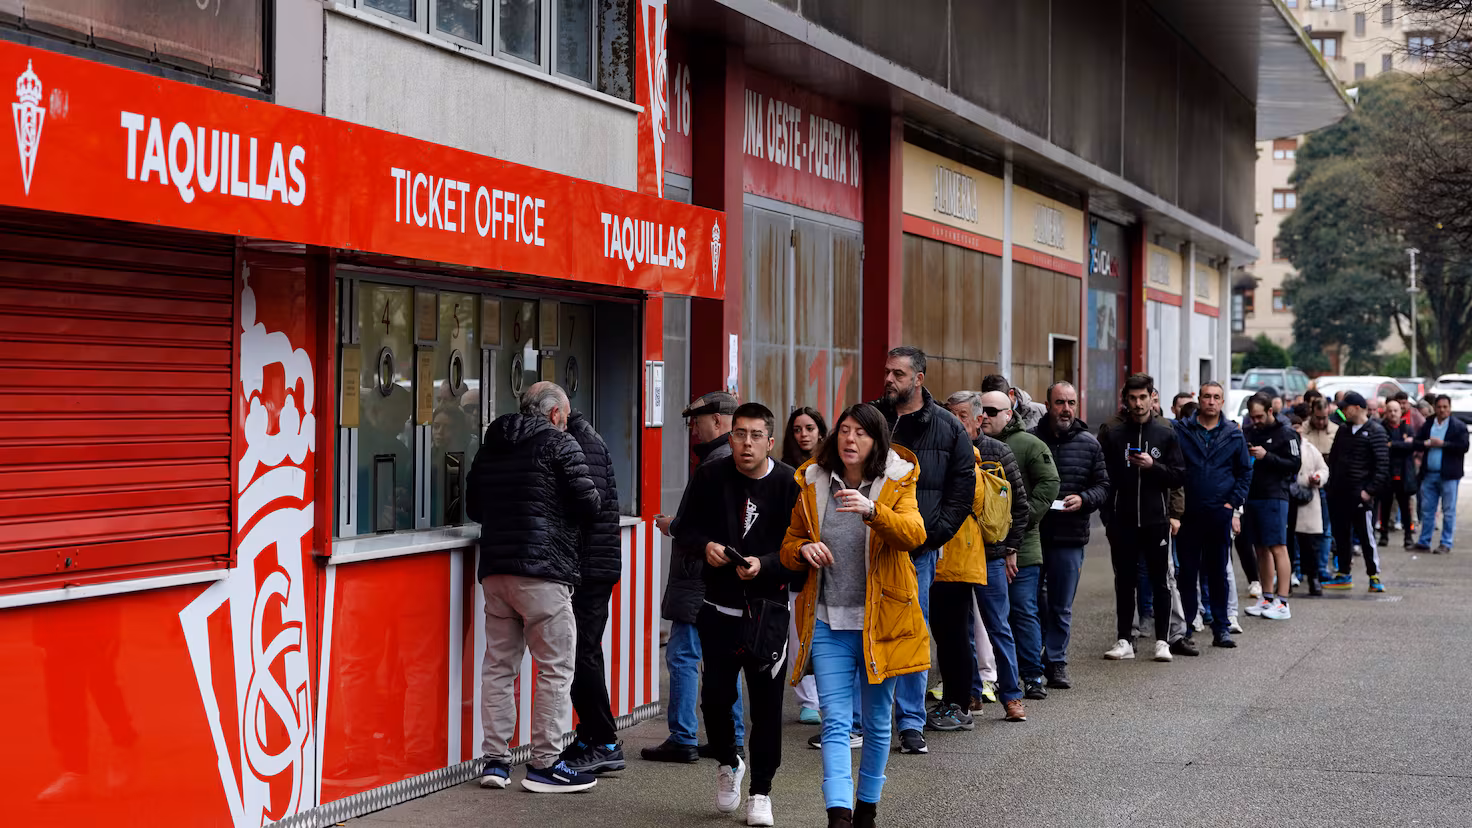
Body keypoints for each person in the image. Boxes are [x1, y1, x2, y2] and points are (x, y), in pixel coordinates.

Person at [782, 403, 928, 828]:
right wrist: (802, 551)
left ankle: (867, 808)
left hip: (881, 622)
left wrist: (872, 511)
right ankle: (838, 815)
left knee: (879, 722)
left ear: (876, 441)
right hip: (827, 621)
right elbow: (789, 544)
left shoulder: (897, 480)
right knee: (835, 722)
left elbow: (914, 534)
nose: (849, 439)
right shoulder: (812, 481)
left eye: (860, 433)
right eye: (844, 430)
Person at [469, 381, 602, 793]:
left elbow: (474, 506)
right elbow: (590, 504)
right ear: (556, 414)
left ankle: (495, 761)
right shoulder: (560, 446)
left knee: (498, 668)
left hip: (495, 571)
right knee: (556, 668)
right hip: (544, 572)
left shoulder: (490, 445)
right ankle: (545, 764)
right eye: (565, 414)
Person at [677, 402, 802, 827]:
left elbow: (799, 552)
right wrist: (706, 546)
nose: (746, 444)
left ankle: (762, 792)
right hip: (718, 608)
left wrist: (765, 565)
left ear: (770, 442)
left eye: (755, 436)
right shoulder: (711, 476)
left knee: (766, 706)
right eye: (739, 435)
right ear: (729, 437)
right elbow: (685, 528)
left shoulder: (789, 483)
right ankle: (729, 762)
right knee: (714, 699)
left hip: (768, 613)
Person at [871, 346, 976, 756]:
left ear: (919, 378)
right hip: (871, 546)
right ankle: (864, 721)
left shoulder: (947, 427)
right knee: (868, 629)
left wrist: (933, 536)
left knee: (913, 633)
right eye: (887, 372)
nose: (889, 380)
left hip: (918, 548)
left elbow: (962, 489)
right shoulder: (870, 419)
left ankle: (911, 723)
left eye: (898, 373)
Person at [647, 392, 746, 763]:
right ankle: (731, 737)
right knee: (723, 659)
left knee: (684, 655)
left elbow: (705, 524)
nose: (694, 428)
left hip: (697, 577)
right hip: (718, 579)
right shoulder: (731, 461)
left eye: (698, 421)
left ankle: (683, 736)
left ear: (718, 421)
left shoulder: (715, 463)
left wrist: (673, 526)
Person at [932, 391, 1030, 729]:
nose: (954, 422)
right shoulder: (941, 453)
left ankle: (1012, 696)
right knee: (961, 632)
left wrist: (1010, 548)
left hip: (990, 555)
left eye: (961, 416)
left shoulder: (997, 451)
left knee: (997, 627)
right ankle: (970, 694)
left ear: (978, 420)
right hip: (952, 557)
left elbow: (1020, 507)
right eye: (950, 415)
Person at [1097, 374, 1186, 661]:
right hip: (1122, 521)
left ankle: (1162, 641)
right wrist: (1107, 517)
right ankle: (1124, 639)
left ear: (1152, 397)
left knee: (1160, 581)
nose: (1138, 404)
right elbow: (1103, 477)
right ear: (1126, 400)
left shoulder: (1166, 432)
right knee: (1125, 580)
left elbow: (1179, 475)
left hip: (1156, 520)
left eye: (1143, 397)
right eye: (1133, 398)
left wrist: (1153, 466)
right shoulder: (1113, 433)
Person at [982, 388, 1059, 700]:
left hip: (1024, 548)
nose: (985, 416)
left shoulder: (1028, 444)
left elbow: (1050, 482)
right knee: (992, 618)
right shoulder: (971, 445)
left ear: (1008, 414)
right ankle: (996, 676)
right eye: (981, 410)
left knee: (1023, 611)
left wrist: (1024, 519)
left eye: (992, 411)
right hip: (985, 548)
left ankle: (1031, 675)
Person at [561, 410, 627, 773]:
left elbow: (587, 504)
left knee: (582, 651)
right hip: (590, 563)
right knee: (580, 651)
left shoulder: (580, 443)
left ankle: (604, 740)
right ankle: (591, 734)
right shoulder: (583, 438)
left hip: (589, 566)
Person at [1033, 382, 1109, 689]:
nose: (1066, 409)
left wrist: (1084, 499)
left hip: (1070, 535)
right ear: (1048, 404)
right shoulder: (1032, 439)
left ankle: (1057, 662)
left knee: (1061, 605)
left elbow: (1104, 486)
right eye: (1060, 402)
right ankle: (1031, 661)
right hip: (1033, 536)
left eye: (1071, 403)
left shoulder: (1089, 444)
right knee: (1030, 603)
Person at [1173, 381, 1252, 649]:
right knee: (1187, 573)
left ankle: (1221, 628)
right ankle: (1185, 629)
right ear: (1199, 398)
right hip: (1189, 513)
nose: (1211, 401)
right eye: (1206, 396)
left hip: (1220, 512)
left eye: (1216, 397)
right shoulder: (1181, 430)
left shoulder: (1232, 433)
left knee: (1218, 572)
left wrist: (1233, 503)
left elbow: (1244, 472)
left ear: (1222, 401)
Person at [781, 406, 829, 725]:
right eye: (797, 429)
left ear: (821, 432)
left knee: (827, 632)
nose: (803, 434)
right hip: (797, 560)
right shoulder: (785, 471)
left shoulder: (831, 468)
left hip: (829, 560)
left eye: (809, 428)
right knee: (799, 633)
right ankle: (809, 699)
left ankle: (829, 697)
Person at [1240, 395, 1301, 622]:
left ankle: (1282, 600)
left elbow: (1295, 464)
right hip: (1253, 495)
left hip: (1275, 495)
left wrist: (1268, 457)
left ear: (1269, 411)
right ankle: (1266, 597)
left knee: (1278, 546)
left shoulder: (1286, 433)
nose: (1255, 420)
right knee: (1260, 548)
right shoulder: (1250, 431)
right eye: (1252, 416)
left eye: (1259, 416)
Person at [1324, 392, 1389, 592]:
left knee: (1365, 536)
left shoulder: (1375, 431)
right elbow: (1333, 460)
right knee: (1341, 535)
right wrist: (1331, 487)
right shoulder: (1343, 431)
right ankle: (1344, 574)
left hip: (1360, 495)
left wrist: (1369, 491)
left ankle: (1374, 576)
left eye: (1346, 407)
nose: (1343, 411)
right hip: (1339, 494)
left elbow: (1382, 465)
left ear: (1358, 408)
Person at [1413, 394, 1468, 554]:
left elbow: (1463, 446)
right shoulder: (1429, 423)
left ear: (1450, 408)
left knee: (1448, 511)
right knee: (1427, 509)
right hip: (1429, 474)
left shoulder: (1458, 426)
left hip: (1449, 475)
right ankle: (1424, 541)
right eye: (1439, 407)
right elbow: (1417, 441)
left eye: (1445, 407)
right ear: (1435, 408)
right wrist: (1425, 444)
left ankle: (1446, 542)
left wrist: (1443, 444)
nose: (1442, 410)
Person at [1291, 413, 1330, 596]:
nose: (1295, 430)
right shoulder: (1281, 446)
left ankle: (1313, 578)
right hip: (1287, 499)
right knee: (1287, 543)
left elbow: (1323, 469)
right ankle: (1288, 578)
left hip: (1307, 498)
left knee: (1309, 544)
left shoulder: (1309, 448)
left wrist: (1317, 478)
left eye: (1298, 426)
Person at [1380, 399, 1417, 549]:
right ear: (1386, 412)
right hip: (1387, 473)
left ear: (1401, 412)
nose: (1393, 413)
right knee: (1385, 507)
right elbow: (1383, 446)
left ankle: (1408, 536)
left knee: (1405, 507)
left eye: (1396, 410)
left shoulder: (1407, 428)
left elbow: (1411, 446)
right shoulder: (1381, 428)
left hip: (1403, 473)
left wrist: (1393, 444)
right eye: (1390, 410)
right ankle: (1383, 535)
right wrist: (1401, 444)